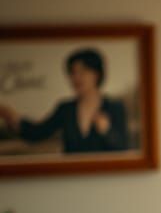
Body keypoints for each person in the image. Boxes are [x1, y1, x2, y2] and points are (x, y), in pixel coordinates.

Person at [0, 47, 128, 153]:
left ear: (96, 74)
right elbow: (37, 133)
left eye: (82, 72)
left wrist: (107, 131)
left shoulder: (114, 107)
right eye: (72, 72)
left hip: (107, 181)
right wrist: (11, 116)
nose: (76, 78)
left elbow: (124, 148)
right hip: (70, 180)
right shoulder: (66, 109)